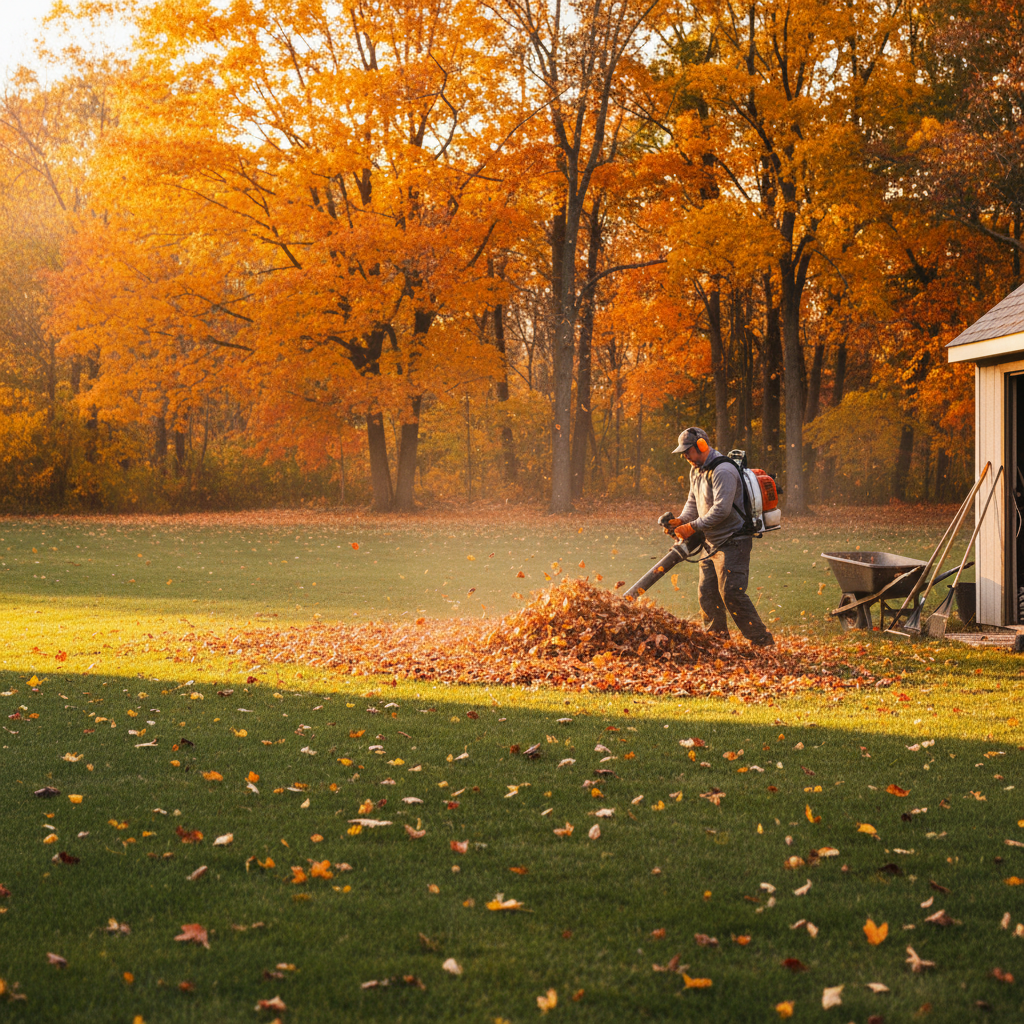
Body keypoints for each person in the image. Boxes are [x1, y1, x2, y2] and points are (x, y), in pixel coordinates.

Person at [667, 426, 774, 647]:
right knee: (707, 593)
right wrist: (681, 521)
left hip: (734, 540)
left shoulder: (723, 470)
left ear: (702, 446)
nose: (685, 456)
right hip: (711, 542)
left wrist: (692, 527)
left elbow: (721, 510)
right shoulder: (696, 470)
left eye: (688, 451)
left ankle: (762, 641)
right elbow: (693, 503)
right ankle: (717, 641)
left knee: (732, 593)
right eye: (683, 452)